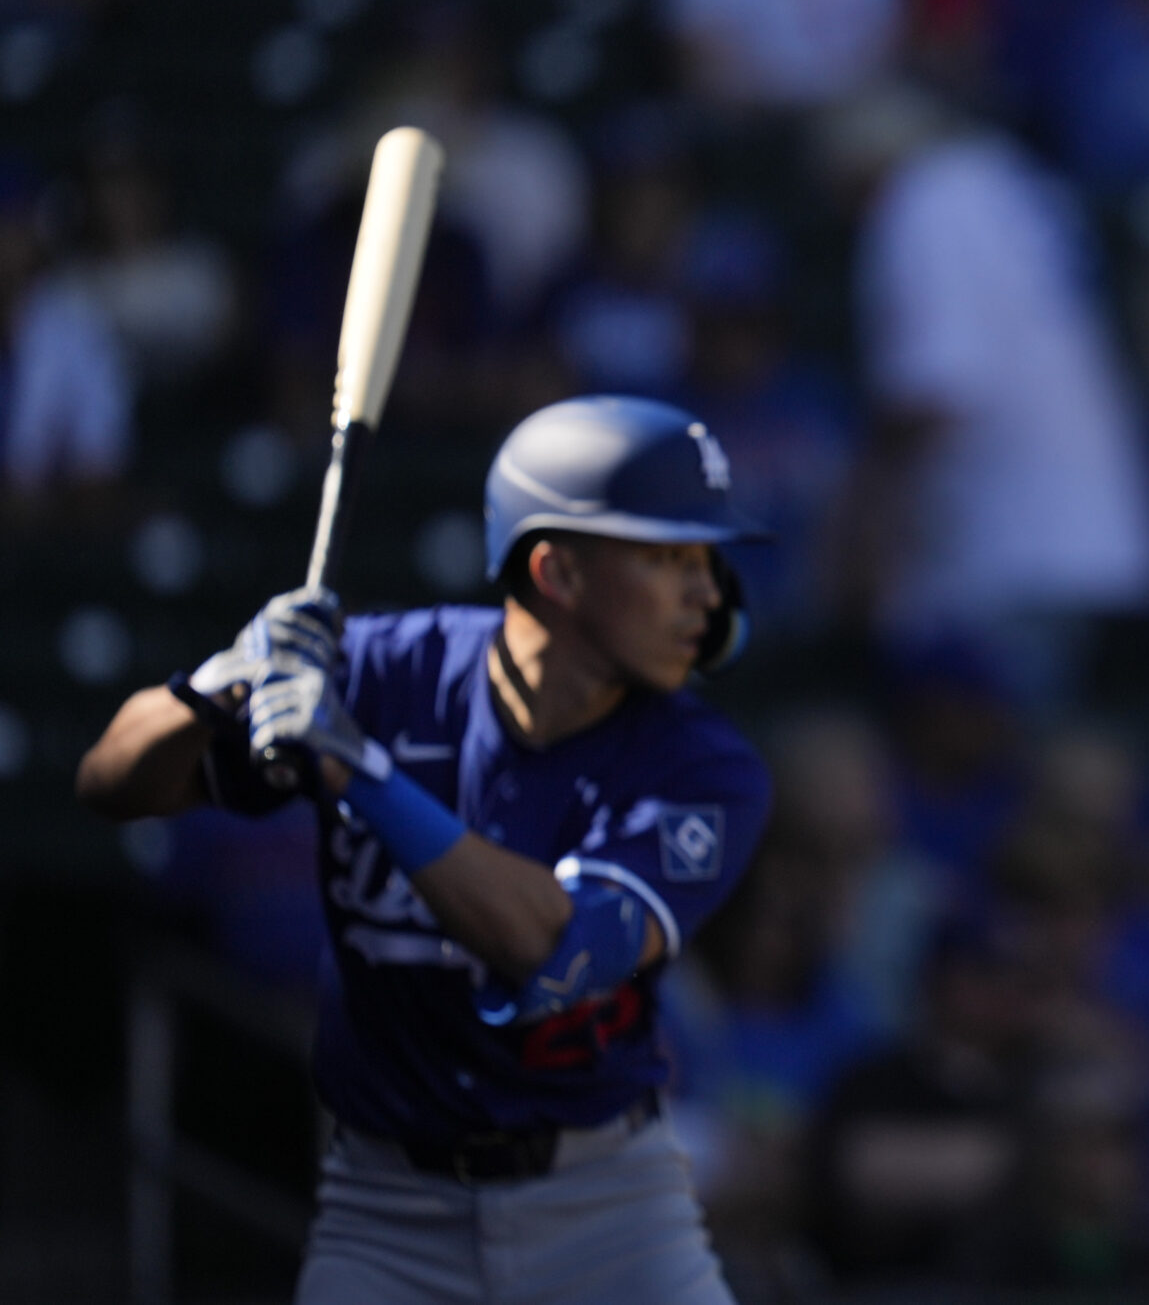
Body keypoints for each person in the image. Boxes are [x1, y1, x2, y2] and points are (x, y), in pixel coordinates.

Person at [75, 395, 775, 1305]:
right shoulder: (386, 673)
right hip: (386, 1209)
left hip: (610, 1204)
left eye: (707, 561)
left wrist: (361, 773)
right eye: (668, 557)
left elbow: (555, 950)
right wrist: (214, 683)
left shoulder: (704, 765)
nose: (708, 595)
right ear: (556, 570)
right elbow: (109, 783)